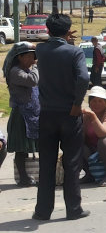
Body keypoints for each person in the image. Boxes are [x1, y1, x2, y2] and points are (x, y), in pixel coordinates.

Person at [33, 13, 90, 221]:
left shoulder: (40, 50)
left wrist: (63, 38)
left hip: (46, 114)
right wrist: (77, 103)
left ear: (48, 30)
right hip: (69, 113)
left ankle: (42, 211)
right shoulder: (75, 52)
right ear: (68, 31)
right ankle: (73, 209)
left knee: (46, 163)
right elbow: (83, 78)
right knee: (72, 163)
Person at [2, 42, 39, 187]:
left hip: (32, 115)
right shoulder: (15, 72)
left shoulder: (27, 70)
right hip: (21, 116)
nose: (32, 60)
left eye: (33, 57)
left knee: (31, 147)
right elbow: (33, 81)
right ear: (20, 58)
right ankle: (23, 177)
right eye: (29, 57)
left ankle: (32, 175)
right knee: (21, 149)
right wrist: (36, 66)